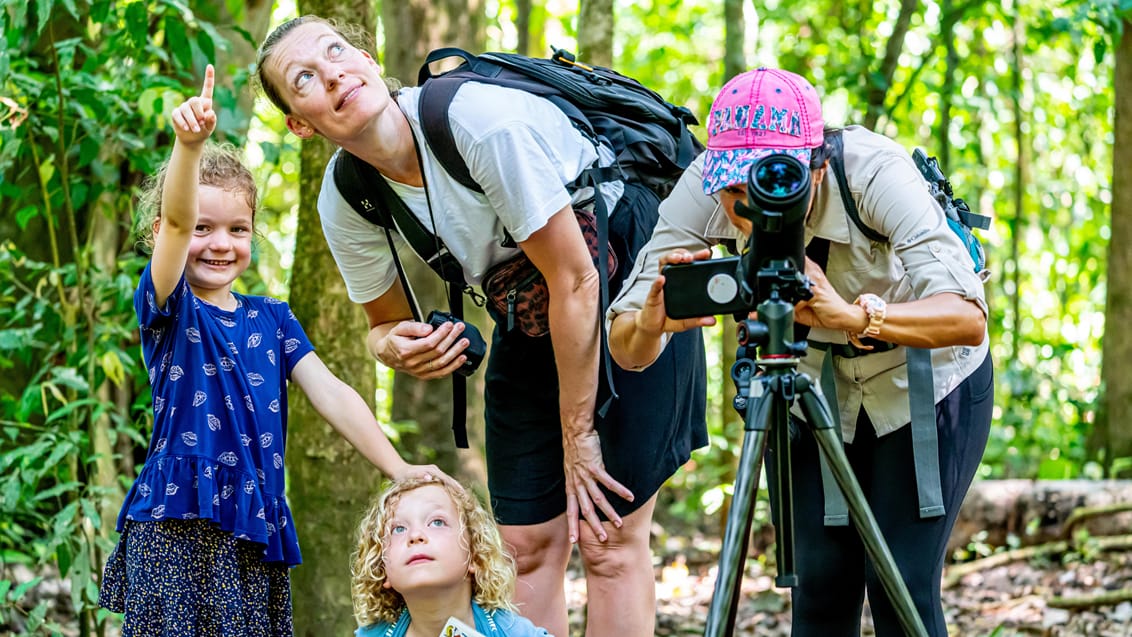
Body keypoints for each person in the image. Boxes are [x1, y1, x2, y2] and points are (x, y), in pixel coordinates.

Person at [253, 16, 706, 637]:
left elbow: (575, 279)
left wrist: (580, 434)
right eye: (304, 77)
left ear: (365, 55)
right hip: (526, 302)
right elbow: (381, 326)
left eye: (336, 52)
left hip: (624, 270)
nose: (331, 73)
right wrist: (402, 349)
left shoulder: (479, 123)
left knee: (609, 535)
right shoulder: (347, 195)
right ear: (299, 123)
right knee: (524, 543)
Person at [608, 67, 994, 636]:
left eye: (767, 187)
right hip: (806, 382)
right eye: (733, 194)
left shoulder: (874, 172)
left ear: (815, 164)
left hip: (924, 382)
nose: (748, 210)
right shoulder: (704, 189)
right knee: (819, 589)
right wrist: (650, 322)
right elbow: (625, 347)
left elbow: (969, 318)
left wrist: (855, 316)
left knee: (901, 588)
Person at [98, 64, 452, 636]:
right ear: (163, 231)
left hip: (254, 522)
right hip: (176, 525)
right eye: (200, 229)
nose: (219, 243)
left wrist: (400, 468)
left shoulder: (273, 319)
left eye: (238, 229)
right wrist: (189, 147)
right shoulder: (170, 306)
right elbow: (179, 218)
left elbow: (331, 393)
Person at [352, 476, 552, 637]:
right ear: (381, 569)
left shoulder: (512, 633)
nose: (415, 536)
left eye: (437, 522)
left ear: (475, 555)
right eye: (398, 528)